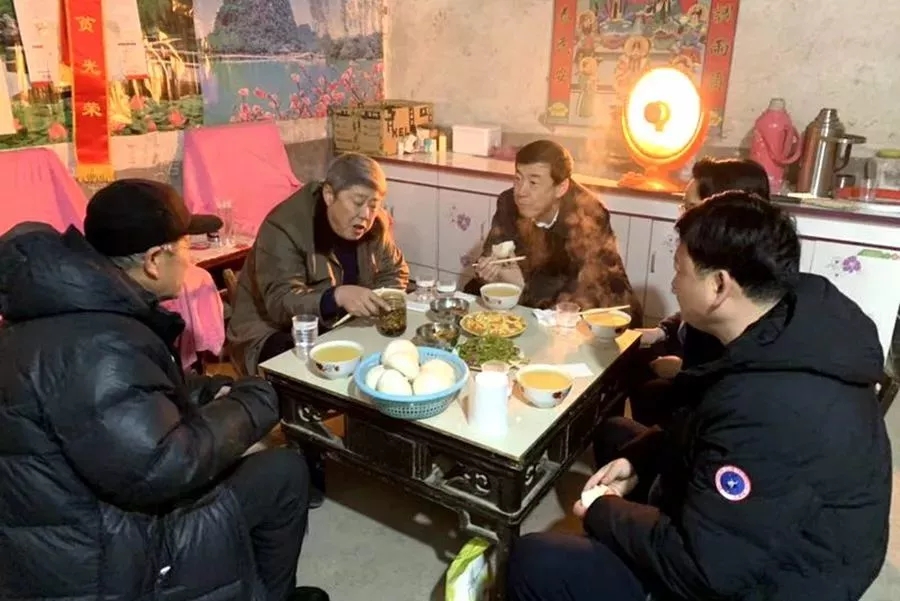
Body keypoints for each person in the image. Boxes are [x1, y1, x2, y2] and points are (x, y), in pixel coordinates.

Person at [508, 192, 891, 601]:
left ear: (719, 285)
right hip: (752, 529)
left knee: (536, 559)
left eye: (680, 270)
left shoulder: (774, 411)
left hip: (772, 583)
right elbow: (702, 421)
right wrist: (640, 459)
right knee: (619, 436)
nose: (674, 283)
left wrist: (604, 510)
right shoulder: (779, 324)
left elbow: (706, 570)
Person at [0, 180, 327, 601]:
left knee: (275, 466)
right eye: (186, 246)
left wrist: (206, 390)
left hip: (74, 522)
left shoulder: (74, 311)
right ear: (155, 260)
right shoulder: (99, 344)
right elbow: (165, 464)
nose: (190, 259)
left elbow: (124, 398)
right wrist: (258, 400)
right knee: (283, 475)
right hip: (104, 557)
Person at [228, 152, 409, 376]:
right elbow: (281, 302)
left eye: (374, 204)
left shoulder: (375, 223)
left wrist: (382, 301)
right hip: (270, 330)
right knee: (309, 370)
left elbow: (394, 271)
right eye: (358, 202)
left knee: (386, 356)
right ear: (329, 195)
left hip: (339, 325)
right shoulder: (285, 226)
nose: (366, 214)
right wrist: (335, 297)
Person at [630, 157, 771, 426]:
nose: (682, 217)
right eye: (683, 206)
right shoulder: (729, 253)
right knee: (636, 355)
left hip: (710, 400)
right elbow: (691, 317)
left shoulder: (745, 283)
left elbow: (735, 369)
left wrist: (683, 370)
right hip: (699, 366)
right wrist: (663, 331)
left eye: (691, 208)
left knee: (645, 391)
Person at [464, 140, 642, 324]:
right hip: (530, 281)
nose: (521, 192)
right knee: (472, 292)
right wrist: (488, 272)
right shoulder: (508, 202)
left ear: (561, 188)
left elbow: (585, 287)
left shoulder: (588, 214)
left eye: (533, 182)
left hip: (586, 290)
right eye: (518, 178)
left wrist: (522, 287)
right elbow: (493, 253)